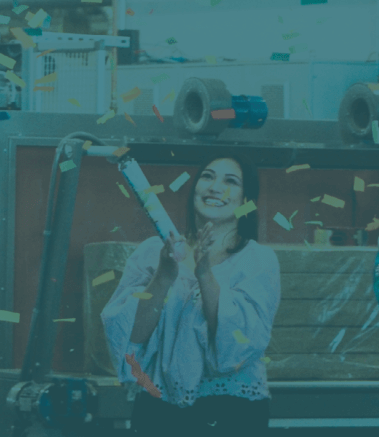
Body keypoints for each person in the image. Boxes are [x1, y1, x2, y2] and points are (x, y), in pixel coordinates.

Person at [100, 157, 280, 435]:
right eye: (207, 177)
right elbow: (129, 336)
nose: (215, 187)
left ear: (246, 200)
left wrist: (205, 273)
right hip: (158, 411)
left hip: (232, 411)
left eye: (230, 181)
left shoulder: (258, 260)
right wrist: (164, 274)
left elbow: (239, 346)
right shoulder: (151, 252)